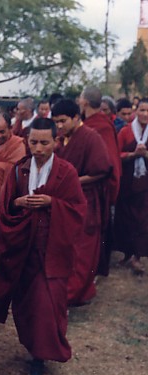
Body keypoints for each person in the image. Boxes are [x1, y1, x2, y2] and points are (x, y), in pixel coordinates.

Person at [0, 118, 86, 375]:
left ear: (56, 141)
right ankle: (33, 348)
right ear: (26, 141)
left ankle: (39, 359)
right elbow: (4, 206)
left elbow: (78, 209)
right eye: (33, 142)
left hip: (51, 250)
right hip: (23, 250)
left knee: (46, 307)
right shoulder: (19, 170)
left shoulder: (66, 172)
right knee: (26, 306)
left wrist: (51, 202)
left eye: (45, 142)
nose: (39, 148)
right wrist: (18, 202)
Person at [52, 99, 112, 306]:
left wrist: (73, 182)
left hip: (86, 199)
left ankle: (73, 293)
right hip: (65, 202)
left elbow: (102, 170)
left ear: (76, 117)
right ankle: (78, 291)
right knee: (66, 247)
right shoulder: (63, 139)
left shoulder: (90, 137)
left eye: (63, 121)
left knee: (83, 249)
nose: (59, 126)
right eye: (56, 122)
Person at [79, 86, 121, 276]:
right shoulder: (89, 123)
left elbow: (109, 162)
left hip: (97, 186)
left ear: (85, 102)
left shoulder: (100, 126)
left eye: (80, 99)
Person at [114, 98, 148, 274]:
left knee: (142, 220)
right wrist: (133, 154)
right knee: (125, 217)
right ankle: (127, 253)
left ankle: (137, 256)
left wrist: (145, 155)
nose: (144, 114)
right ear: (137, 111)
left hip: (144, 184)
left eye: (147, 111)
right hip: (127, 182)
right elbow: (116, 155)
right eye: (142, 110)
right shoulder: (126, 131)